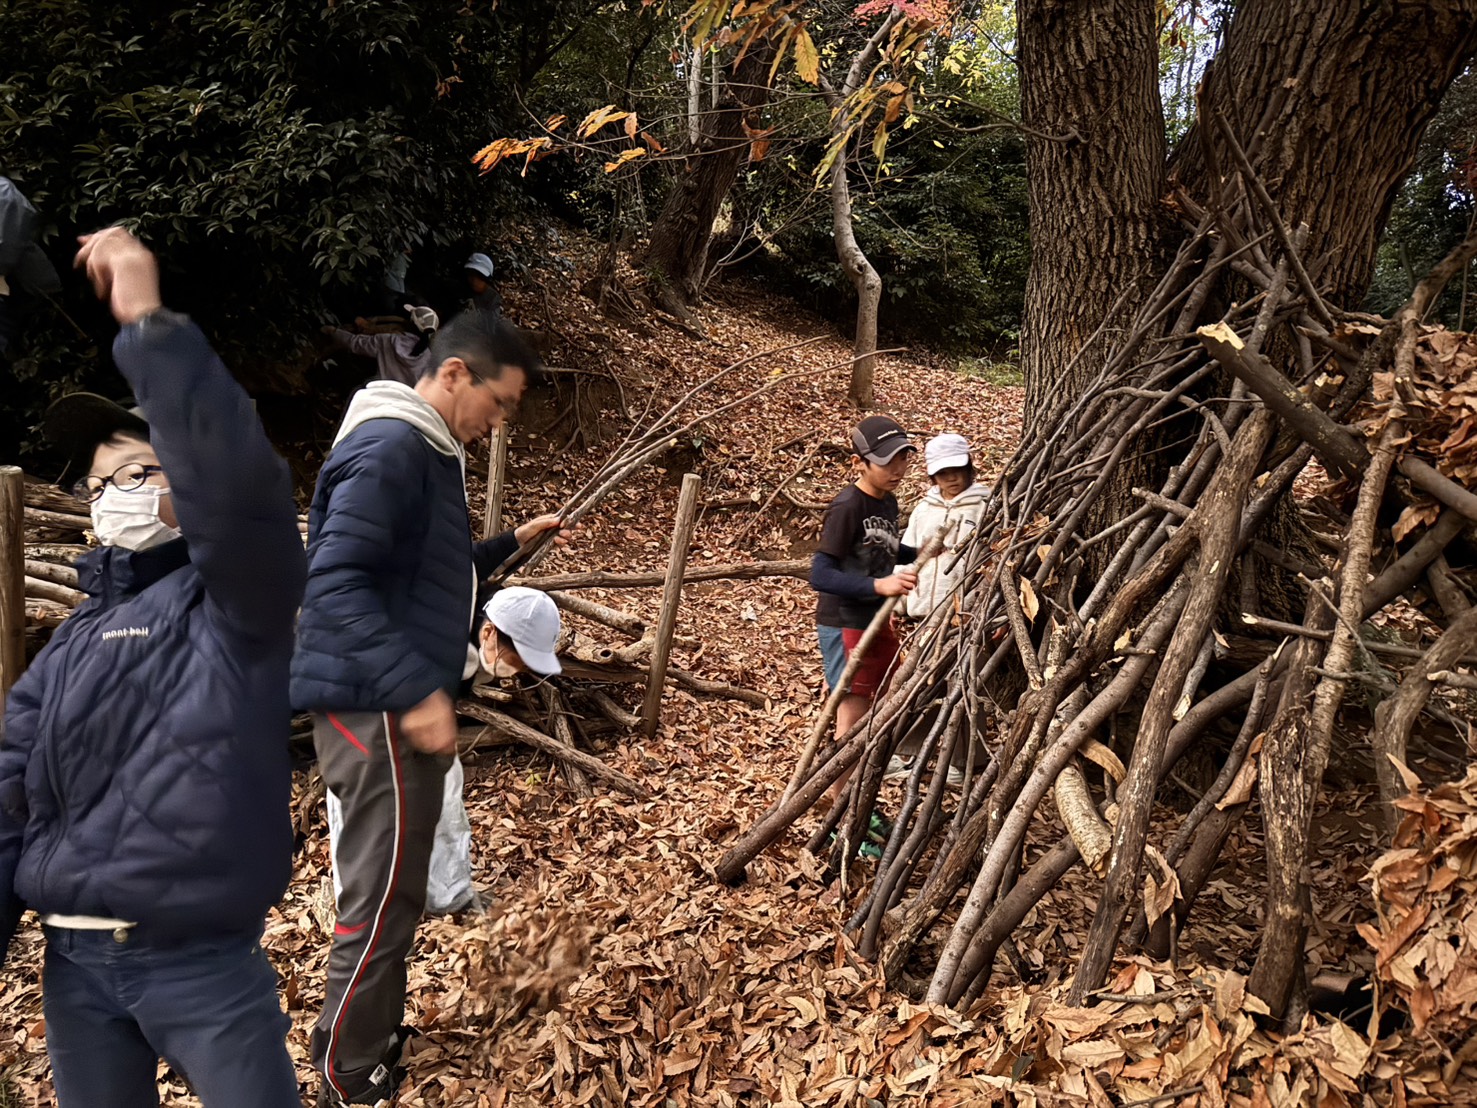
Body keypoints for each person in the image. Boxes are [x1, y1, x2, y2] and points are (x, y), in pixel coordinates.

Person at [0, 226, 306, 1106]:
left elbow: (241, 496)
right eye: (98, 487)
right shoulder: (68, 645)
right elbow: (9, 798)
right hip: (72, 968)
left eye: (133, 474)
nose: (111, 499)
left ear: (182, 488)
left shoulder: (237, 604)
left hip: (201, 962)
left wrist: (147, 323)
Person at [291, 309, 564, 1107]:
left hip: (385, 698)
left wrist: (512, 539)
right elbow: (334, 581)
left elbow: (425, 570)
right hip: (376, 704)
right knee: (382, 896)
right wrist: (414, 688)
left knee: (394, 889)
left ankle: (359, 1034)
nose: (498, 421)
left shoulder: (428, 452)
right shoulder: (393, 448)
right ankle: (348, 1074)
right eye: (499, 402)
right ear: (453, 374)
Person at [326, 588, 564, 920]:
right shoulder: (434, 634)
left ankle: (447, 895)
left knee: (446, 795)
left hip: (421, 714)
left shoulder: (471, 634)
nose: (519, 670)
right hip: (362, 709)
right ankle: (365, 911)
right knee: (365, 808)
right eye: (517, 659)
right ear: (489, 632)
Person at [809, 415, 919, 835]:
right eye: (887, 461)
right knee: (852, 723)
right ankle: (844, 816)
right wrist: (879, 584)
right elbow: (820, 573)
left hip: (875, 620)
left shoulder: (887, 503)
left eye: (903, 458)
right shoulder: (847, 507)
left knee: (888, 697)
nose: (897, 468)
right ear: (859, 463)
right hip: (845, 623)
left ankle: (859, 794)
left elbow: (884, 546)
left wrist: (919, 552)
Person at [897, 433, 987, 620]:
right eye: (943, 473)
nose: (951, 478)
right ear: (933, 475)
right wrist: (896, 605)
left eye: (957, 470)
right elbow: (906, 559)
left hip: (960, 615)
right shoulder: (924, 510)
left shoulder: (983, 508)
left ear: (968, 467)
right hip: (917, 613)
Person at [321, 304, 439, 387]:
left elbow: (355, 343)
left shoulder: (388, 340)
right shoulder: (428, 357)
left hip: (378, 389)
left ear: (409, 322)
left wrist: (333, 331)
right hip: (404, 401)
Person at [463, 252, 501, 318]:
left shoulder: (493, 297)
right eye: (471, 275)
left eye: (479, 276)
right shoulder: (463, 290)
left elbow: (491, 321)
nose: (474, 280)